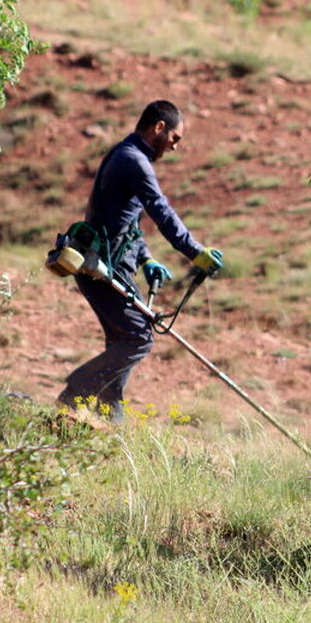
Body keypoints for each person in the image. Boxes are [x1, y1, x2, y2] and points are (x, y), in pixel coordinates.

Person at [57, 100, 224, 421]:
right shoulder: (133, 160)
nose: (175, 147)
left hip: (110, 264)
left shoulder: (126, 155)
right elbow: (159, 210)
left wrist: (146, 259)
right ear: (159, 127)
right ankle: (73, 396)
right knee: (138, 338)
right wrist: (195, 252)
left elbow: (128, 220)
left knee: (122, 341)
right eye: (175, 138)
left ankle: (109, 421)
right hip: (102, 267)